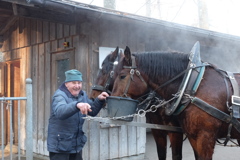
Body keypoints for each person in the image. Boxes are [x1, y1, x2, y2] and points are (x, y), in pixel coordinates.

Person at [47, 69, 109, 160]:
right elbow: (60, 112)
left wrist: (99, 100)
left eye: (79, 83)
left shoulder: (82, 95)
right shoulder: (59, 95)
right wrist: (77, 105)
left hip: (75, 145)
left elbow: (92, 111)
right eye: (73, 83)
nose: (77, 86)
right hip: (60, 147)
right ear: (66, 84)